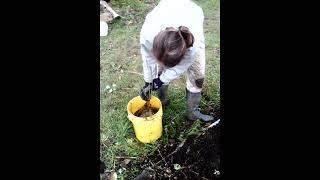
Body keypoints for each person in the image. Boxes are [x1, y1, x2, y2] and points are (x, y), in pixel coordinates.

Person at [139, 0, 214, 122]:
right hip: (166, 13)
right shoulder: (148, 34)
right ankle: (162, 101)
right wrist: (149, 82)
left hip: (190, 17)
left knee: (197, 75)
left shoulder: (193, 43)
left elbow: (182, 66)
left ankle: (192, 112)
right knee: (161, 71)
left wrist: (161, 80)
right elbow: (148, 60)